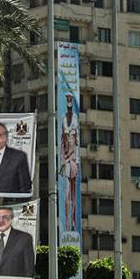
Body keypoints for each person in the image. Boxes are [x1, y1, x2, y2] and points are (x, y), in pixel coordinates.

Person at [60, 93, 79, 232]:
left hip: (73, 161)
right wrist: (62, 161)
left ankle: (73, 222)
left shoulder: (75, 120)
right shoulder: (63, 120)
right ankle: (67, 222)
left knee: (73, 195)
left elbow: (76, 142)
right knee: (67, 194)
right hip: (66, 160)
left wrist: (76, 161)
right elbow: (62, 141)